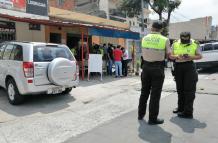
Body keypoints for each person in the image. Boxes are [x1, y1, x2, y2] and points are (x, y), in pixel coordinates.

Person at [138, 21, 170, 125]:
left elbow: (143, 52)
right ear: (161, 29)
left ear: (152, 27)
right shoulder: (165, 40)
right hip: (157, 68)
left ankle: (140, 115)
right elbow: (169, 55)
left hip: (146, 67)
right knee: (155, 95)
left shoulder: (144, 38)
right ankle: (152, 119)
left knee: (144, 92)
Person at [169, 32, 202, 119]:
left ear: (189, 38)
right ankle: (180, 108)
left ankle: (188, 112)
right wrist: (177, 56)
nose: (184, 40)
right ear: (180, 38)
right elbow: (170, 56)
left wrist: (190, 57)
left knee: (189, 90)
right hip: (178, 67)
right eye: (183, 39)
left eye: (186, 39)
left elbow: (199, 56)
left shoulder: (195, 43)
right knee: (180, 89)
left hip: (189, 66)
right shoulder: (175, 43)